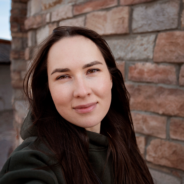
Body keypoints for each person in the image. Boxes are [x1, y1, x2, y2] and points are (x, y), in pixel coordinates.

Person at [0, 26, 154, 184]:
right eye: (63, 76)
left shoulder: (120, 136)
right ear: (47, 90)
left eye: (92, 70)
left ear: (110, 78)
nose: (82, 91)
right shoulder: (33, 162)